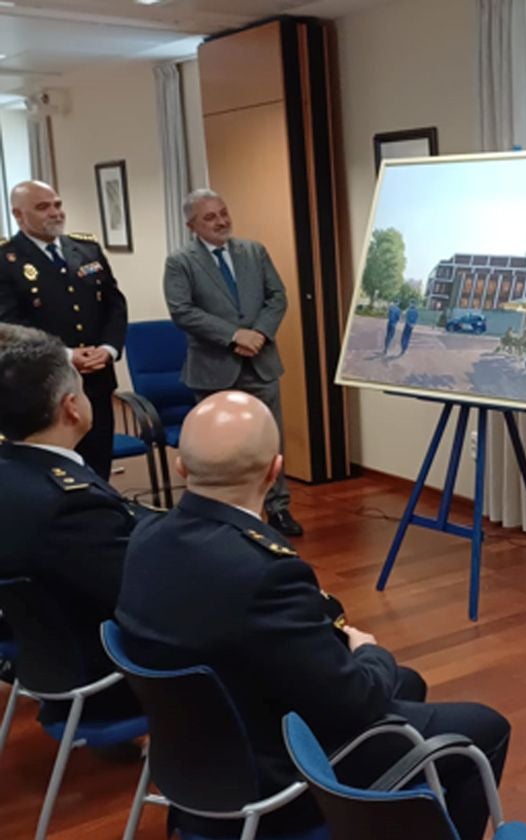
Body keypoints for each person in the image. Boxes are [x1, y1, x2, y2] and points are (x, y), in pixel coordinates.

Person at [116, 392, 511, 840]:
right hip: (276, 780)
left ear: (180, 468)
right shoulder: (264, 571)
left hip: (192, 762)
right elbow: (356, 701)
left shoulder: (144, 538)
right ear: (275, 470)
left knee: (408, 683)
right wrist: (368, 651)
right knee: (485, 727)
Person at [0, 324, 147, 728]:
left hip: (38, 658)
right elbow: (140, 596)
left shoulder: (17, 473)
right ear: (72, 407)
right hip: (105, 679)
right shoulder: (70, 503)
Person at [163, 188, 303, 537]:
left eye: (223, 212)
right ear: (192, 224)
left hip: (261, 363)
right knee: (217, 444)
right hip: (213, 368)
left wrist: (258, 333)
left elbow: (277, 296)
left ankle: (278, 508)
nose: (221, 221)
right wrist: (233, 335)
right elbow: (182, 311)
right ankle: (219, 514)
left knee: (269, 439)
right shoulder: (181, 262)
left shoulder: (253, 251)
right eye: (210, 217)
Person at [0, 181, 127, 478]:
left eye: (57, 204)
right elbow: (10, 323)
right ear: (19, 215)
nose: (55, 213)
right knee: (54, 471)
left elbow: (114, 305)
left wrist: (107, 349)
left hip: (96, 379)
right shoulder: (6, 260)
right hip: (44, 383)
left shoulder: (86, 248)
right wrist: (67, 355)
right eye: (43, 207)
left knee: (98, 463)